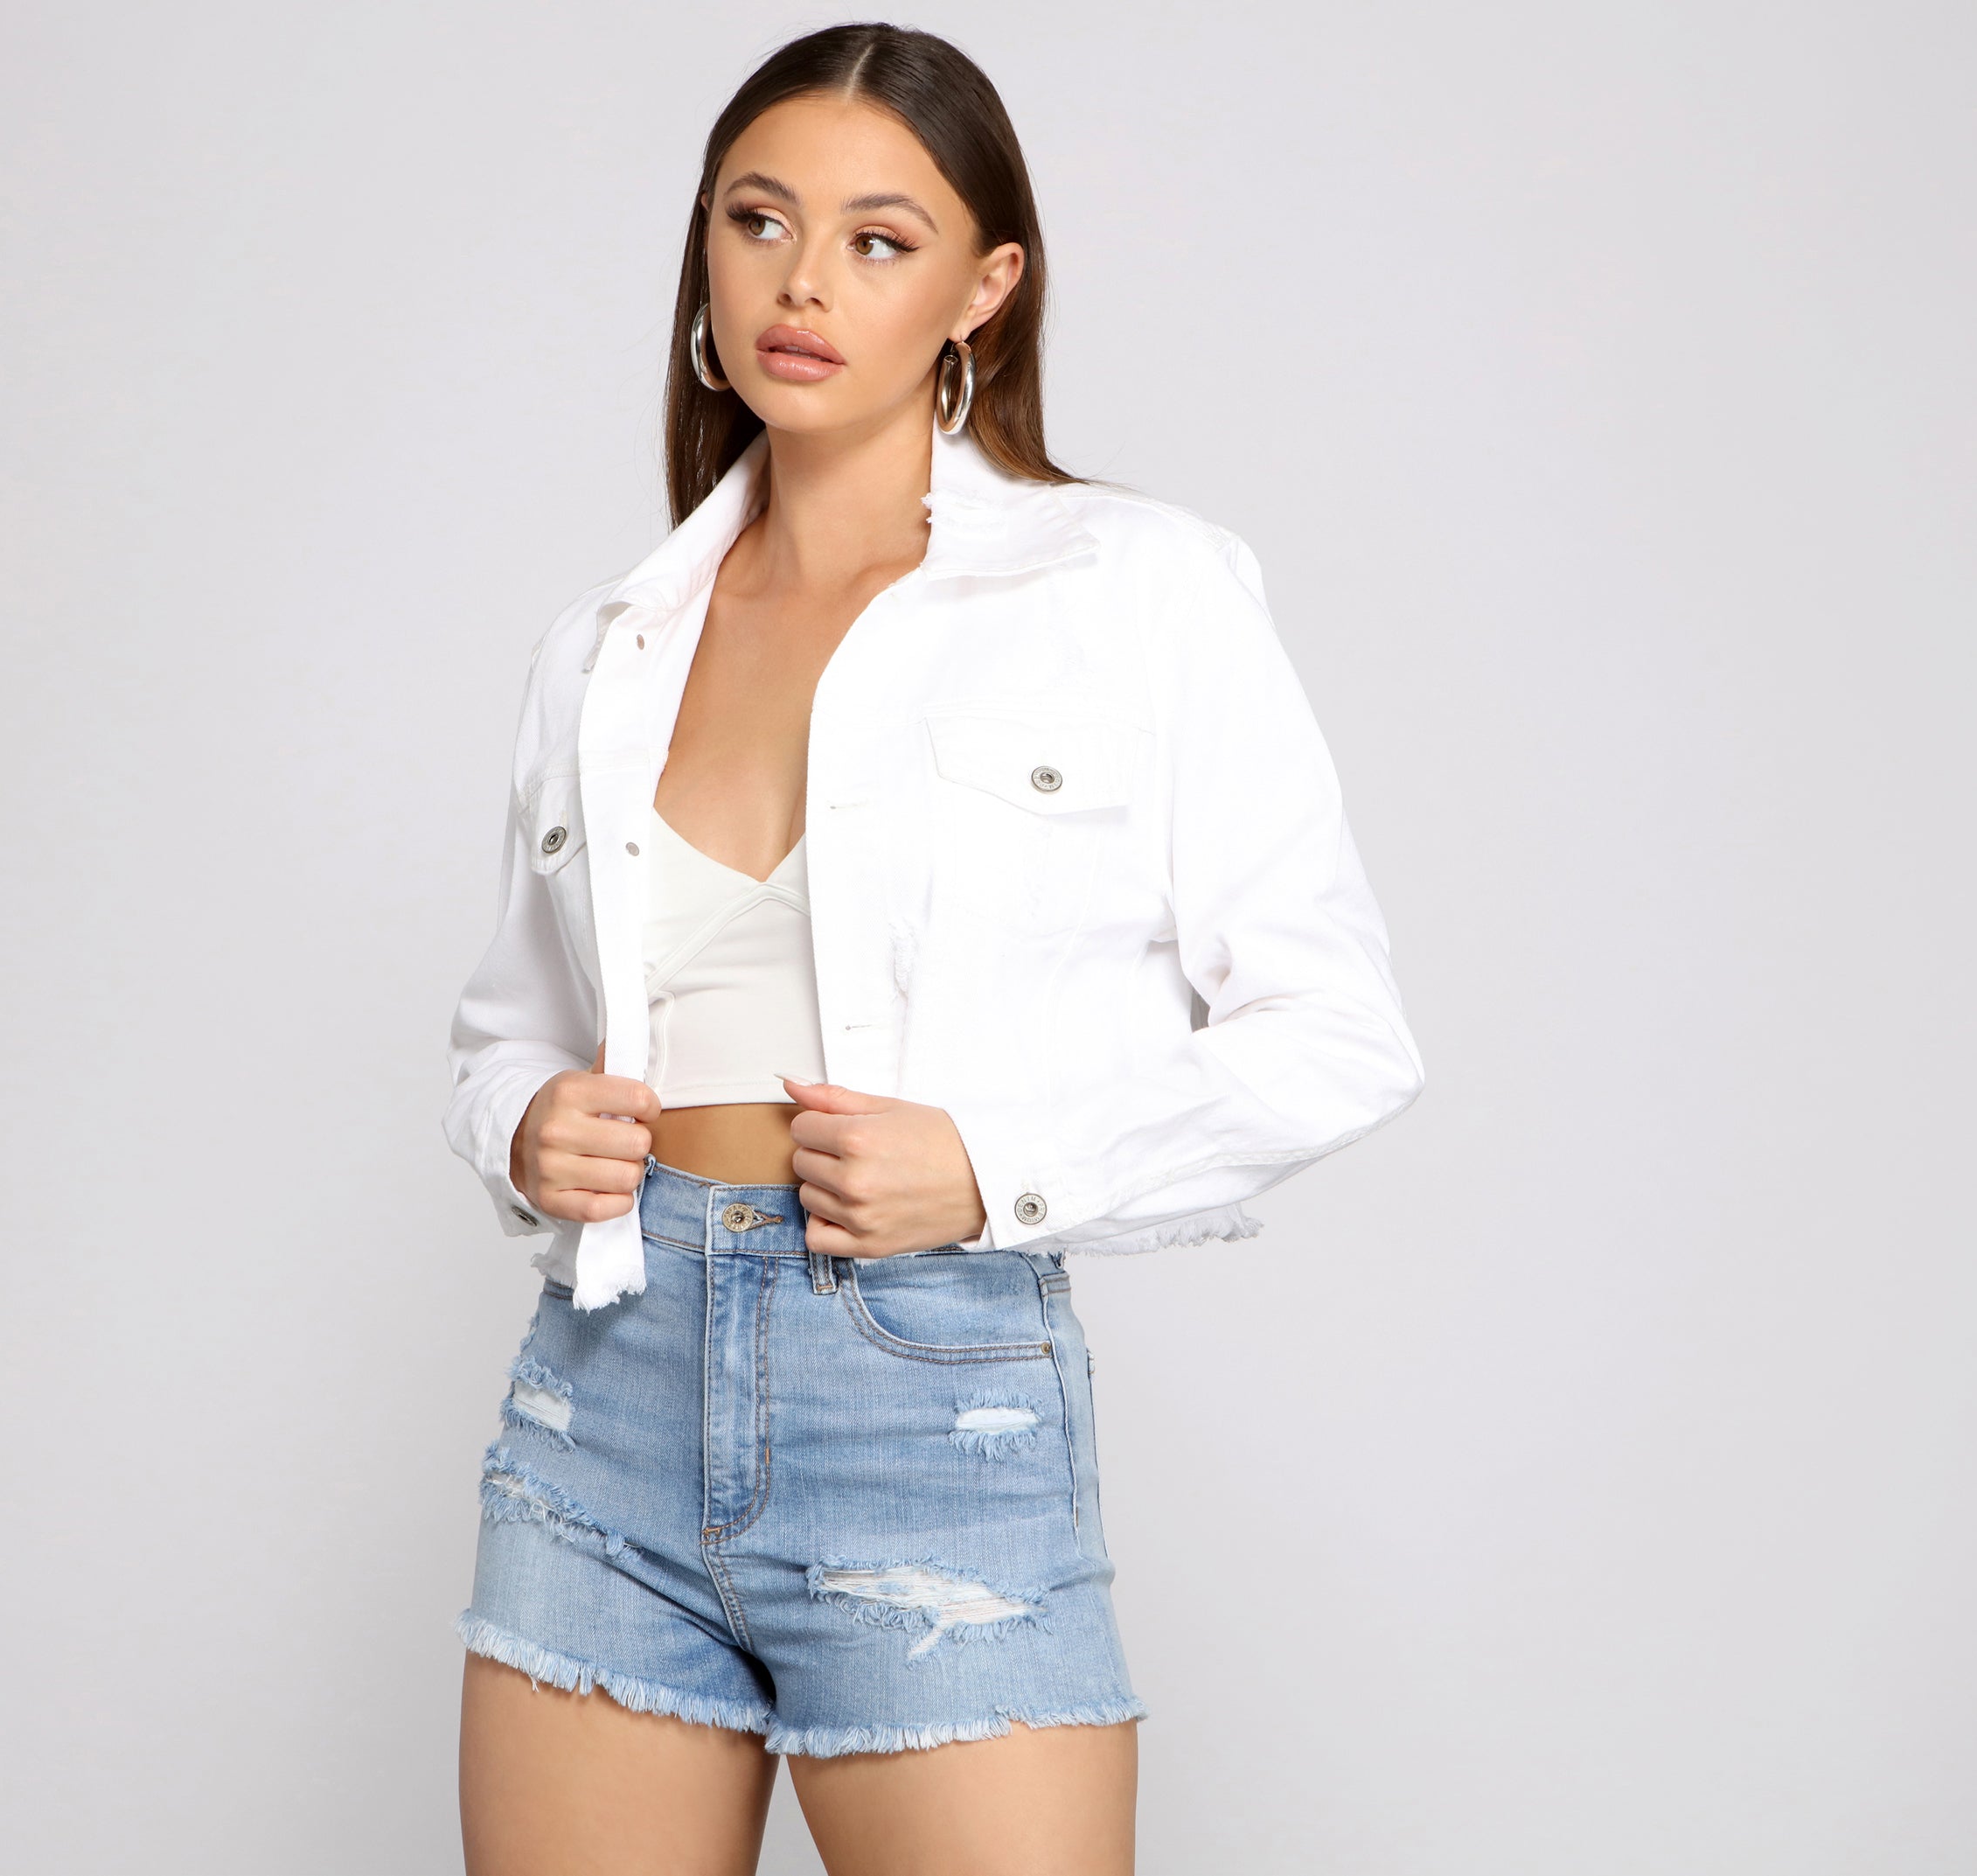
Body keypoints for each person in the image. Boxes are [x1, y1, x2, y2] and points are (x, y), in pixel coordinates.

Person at [442, 24, 1424, 1875]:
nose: (801, 282)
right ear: (705, 251)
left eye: (878, 240)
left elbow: (1336, 1027)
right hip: (602, 1392)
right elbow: (508, 1030)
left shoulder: (1129, 589)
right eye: (758, 221)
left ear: (984, 288)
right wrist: (523, 1123)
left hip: (923, 1388)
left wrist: (992, 1165)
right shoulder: (603, 645)